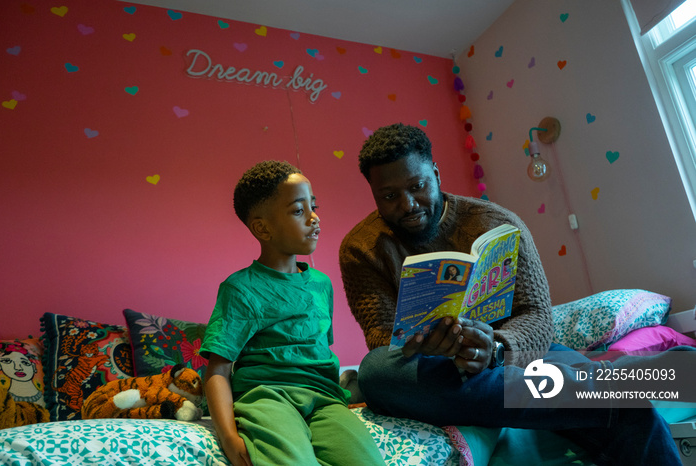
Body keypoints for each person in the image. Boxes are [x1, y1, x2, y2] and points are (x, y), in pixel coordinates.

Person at [339, 123, 685, 465]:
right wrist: (429, 344)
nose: (408, 204)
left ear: (436, 173)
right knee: (375, 372)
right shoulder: (361, 248)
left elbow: (536, 315)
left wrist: (496, 349)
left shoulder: (497, 223)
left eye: (418, 186)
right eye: (389, 196)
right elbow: (381, 336)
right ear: (373, 194)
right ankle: (571, 390)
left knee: (635, 410)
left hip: (513, 355)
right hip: (432, 366)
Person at [201, 160, 385, 466]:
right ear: (263, 228)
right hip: (268, 396)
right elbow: (217, 370)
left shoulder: (321, 284)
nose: (315, 218)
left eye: (313, 206)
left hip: (326, 398)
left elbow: (319, 350)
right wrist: (229, 437)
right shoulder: (241, 288)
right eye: (299, 211)